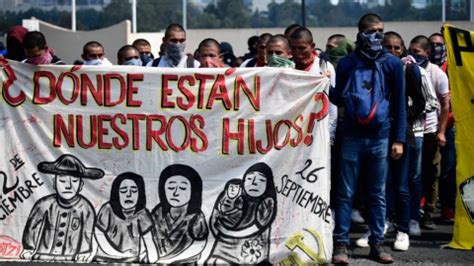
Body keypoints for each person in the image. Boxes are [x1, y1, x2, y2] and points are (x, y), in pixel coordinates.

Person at [330, 13, 406, 264]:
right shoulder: (347, 63)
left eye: (381, 31)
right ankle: (340, 244)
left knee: (378, 193)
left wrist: (399, 139)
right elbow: (340, 98)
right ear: (360, 32)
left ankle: (377, 244)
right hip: (351, 135)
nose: (377, 36)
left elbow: (400, 105)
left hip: (381, 137)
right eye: (372, 31)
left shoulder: (392, 64)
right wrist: (319, 85)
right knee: (345, 194)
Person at [357, 31, 426, 251]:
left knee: (402, 185)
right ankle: (378, 226)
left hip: (401, 135)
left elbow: (420, 101)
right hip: (377, 134)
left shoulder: (407, 69)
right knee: (378, 185)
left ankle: (403, 230)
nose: (393, 51)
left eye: (397, 48)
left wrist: (402, 118)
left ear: (403, 49)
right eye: (388, 47)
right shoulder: (372, 68)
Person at [21, 154, 104, 262]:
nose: (68, 186)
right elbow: (32, 226)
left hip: (72, 258)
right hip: (43, 257)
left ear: (81, 185)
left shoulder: (85, 208)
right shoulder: (44, 204)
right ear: (54, 183)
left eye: (74, 181)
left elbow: (87, 233)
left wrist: (84, 251)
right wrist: (29, 247)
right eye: (62, 181)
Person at [408, 35, 450, 230]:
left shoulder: (437, 74)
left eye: (417, 52)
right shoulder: (407, 69)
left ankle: (429, 214)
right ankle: (413, 213)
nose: (413, 55)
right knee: (413, 174)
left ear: (427, 53)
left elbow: (444, 104)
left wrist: (441, 131)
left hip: (430, 131)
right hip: (412, 131)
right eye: (411, 51)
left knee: (432, 173)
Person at [206, 162, 277, 264]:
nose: (254, 183)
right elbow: (214, 217)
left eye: (261, 180)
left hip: (250, 251)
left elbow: (256, 227)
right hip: (222, 247)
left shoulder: (267, 202)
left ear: (268, 184)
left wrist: (226, 232)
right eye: (249, 179)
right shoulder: (234, 195)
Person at [93, 172, 157, 263]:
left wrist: (153, 259)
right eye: (123, 191)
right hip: (104, 259)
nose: (129, 195)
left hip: (132, 260)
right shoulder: (108, 209)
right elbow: (98, 235)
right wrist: (117, 253)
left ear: (140, 194)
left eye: (134, 191)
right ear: (116, 193)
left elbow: (149, 242)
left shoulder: (142, 214)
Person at [289, 27, 338, 145]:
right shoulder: (287, 68)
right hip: (291, 136)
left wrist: (329, 136)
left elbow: (331, 107)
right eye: (293, 48)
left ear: (312, 46)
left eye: (302, 48)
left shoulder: (324, 67)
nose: (297, 53)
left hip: (317, 136)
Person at [151, 164, 208, 263]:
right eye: (171, 187)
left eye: (182, 188)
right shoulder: (157, 213)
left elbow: (200, 245)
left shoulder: (196, 216)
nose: (175, 193)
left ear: (193, 191)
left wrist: (169, 259)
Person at [429, 32, 455, 223]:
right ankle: (424, 204)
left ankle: (447, 207)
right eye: (432, 44)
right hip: (427, 126)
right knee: (427, 168)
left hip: (450, 126)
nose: (436, 47)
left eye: (439, 44)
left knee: (447, 168)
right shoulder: (422, 68)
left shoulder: (452, 70)